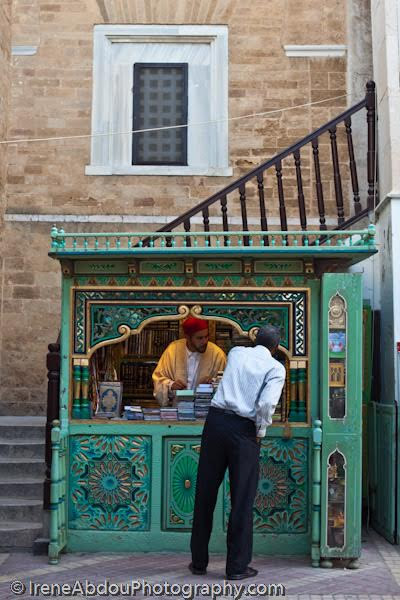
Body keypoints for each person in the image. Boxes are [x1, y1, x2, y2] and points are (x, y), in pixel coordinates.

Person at [189, 324, 286, 580]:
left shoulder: (236, 353)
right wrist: (260, 432)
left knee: (205, 493)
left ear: (256, 340)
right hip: (244, 430)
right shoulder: (276, 368)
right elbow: (267, 403)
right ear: (276, 348)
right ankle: (237, 567)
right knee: (241, 499)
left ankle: (198, 563)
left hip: (216, 422)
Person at [152, 316, 226, 406]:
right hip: (177, 411)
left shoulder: (217, 354)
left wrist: (212, 383)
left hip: (205, 411)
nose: (205, 341)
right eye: (200, 338)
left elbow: (226, 385)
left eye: (206, 336)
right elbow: (158, 379)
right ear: (187, 337)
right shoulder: (173, 350)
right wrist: (171, 385)